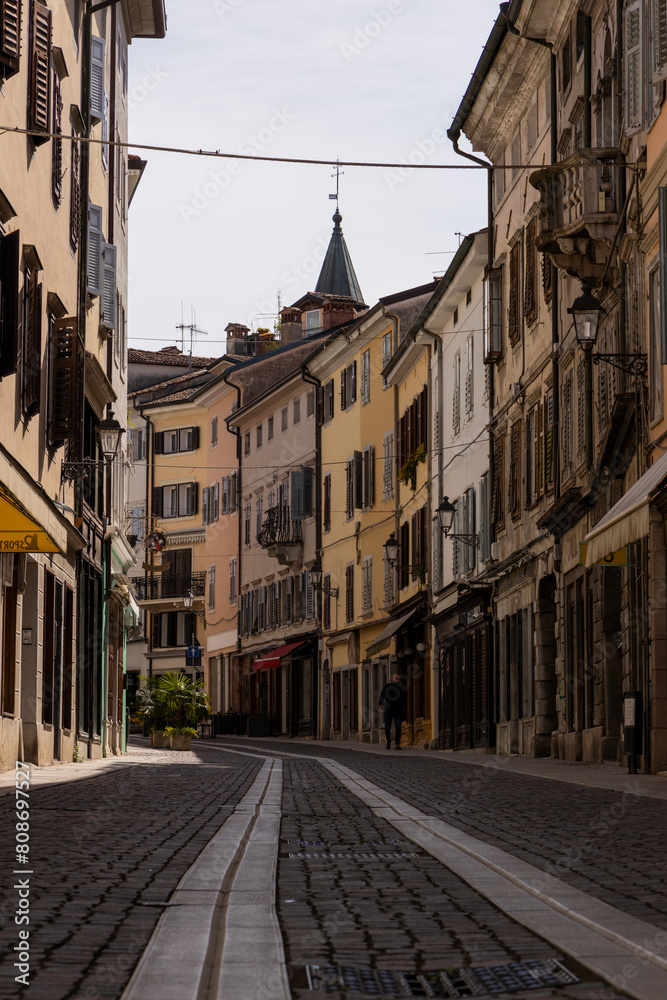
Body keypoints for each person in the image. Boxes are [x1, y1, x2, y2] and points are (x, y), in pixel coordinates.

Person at [379, 673, 407, 750]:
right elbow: (382, 695)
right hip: (388, 710)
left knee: (398, 726)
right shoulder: (388, 686)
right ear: (393, 678)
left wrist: (402, 707)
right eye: (396, 678)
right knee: (387, 727)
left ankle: (397, 743)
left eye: (399, 679)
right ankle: (388, 741)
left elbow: (404, 698)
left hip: (397, 710)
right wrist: (380, 703)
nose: (397, 680)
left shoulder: (401, 687)